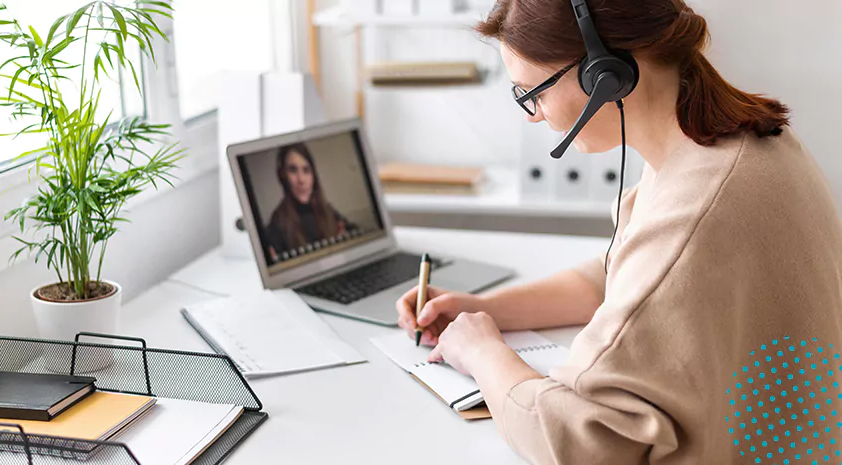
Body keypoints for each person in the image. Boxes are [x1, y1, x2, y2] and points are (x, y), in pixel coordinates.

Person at [396, 0, 842, 463]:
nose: (532, 114)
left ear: (605, 74)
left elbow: (584, 443)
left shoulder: (696, 210)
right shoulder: (735, 145)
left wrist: (483, 354)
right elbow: (623, 275)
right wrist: (485, 310)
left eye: (534, 92)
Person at [264, 143, 355, 262]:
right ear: (283, 175)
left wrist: (345, 240)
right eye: (293, 170)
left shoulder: (326, 208)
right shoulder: (277, 224)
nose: (301, 179)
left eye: (306, 170)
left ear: (313, 176)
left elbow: (355, 231)